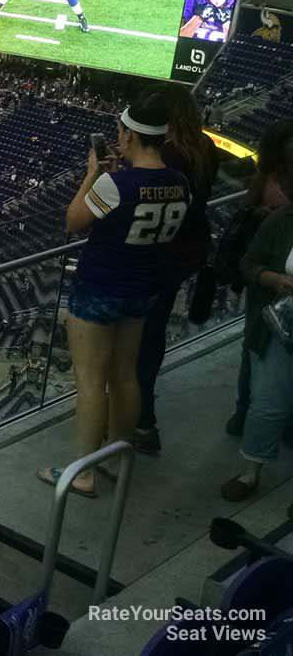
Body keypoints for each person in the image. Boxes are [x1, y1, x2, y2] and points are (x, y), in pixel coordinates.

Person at [39, 96, 190, 498]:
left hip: (100, 288)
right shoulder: (179, 182)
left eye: (121, 132)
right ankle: (114, 460)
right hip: (143, 290)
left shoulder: (115, 183)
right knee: (125, 375)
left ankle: (83, 473)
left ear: (129, 135)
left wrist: (91, 174)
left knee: (90, 380)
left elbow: (73, 222)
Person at [133, 86, 220, 455]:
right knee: (151, 337)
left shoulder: (170, 155)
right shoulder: (205, 148)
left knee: (140, 339)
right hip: (184, 255)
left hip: (158, 255)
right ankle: (139, 415)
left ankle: (140, 420)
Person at [220, 203, 293, 501]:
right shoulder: (282, 219)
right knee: (267, 403)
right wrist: (275, 279)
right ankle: (251, 473)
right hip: (281, 328)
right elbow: (249, 263)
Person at [227, 120, 293, 437]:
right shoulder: (267, 180)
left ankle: (260, 413)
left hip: (271, 278)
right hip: (265, 279)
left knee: (263, 350)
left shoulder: (267, 177)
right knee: (255, 346)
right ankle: (246, 410)